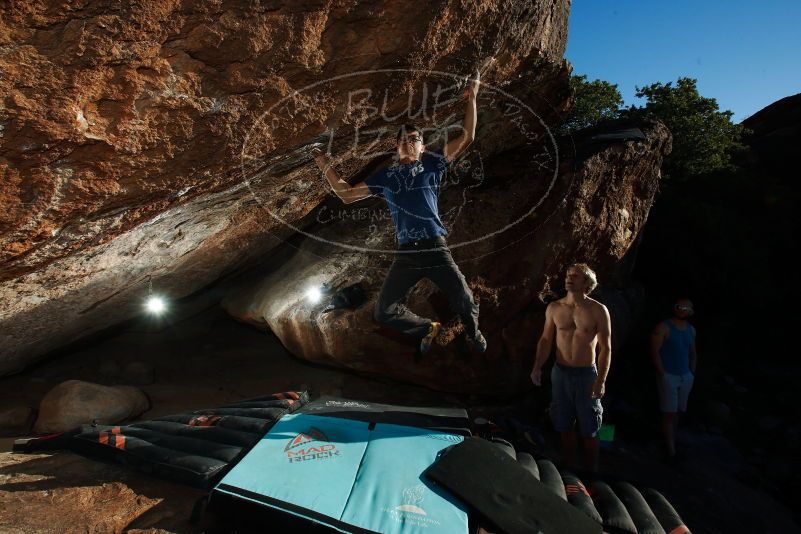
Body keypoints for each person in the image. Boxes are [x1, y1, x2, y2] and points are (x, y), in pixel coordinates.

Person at [310, 71, 486, 355]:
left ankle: (474, 332)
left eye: (415, 138)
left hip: (434, 247)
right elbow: (346, 193)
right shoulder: (386, 176)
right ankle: (427, 328)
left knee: (463, 299)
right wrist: (322, 162)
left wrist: (473, 93)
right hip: (407, 253)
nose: (409, 141)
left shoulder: (433, 163)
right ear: (397, 145)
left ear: (422, 145)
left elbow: (468, 136)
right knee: (384, 312)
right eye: (403, 139)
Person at [530, 264, 612, 472]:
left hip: (586, 374)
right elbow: (546, 339)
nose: (569, 278)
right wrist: (537, 367)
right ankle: (569, 467)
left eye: (576, 276)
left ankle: (591, 471)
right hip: (561, 372)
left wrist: (600, 380)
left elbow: (606, 348)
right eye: (568, 275)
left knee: (590, 426)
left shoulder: (598, 310)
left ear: (587, 283)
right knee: (563, 422)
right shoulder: (555, 308)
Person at [651, 298, 697, 460]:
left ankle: (671, 443)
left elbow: (692, 352)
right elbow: (655, 351)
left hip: (685, 376)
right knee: (669, 413)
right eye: (679, 307)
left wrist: (691, 372)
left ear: (691, 311)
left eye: (686, 308)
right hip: (669, 375)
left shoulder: (691, 330)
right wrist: (662, 373)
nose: (682, 310)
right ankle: (671, 451)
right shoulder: (664, 327)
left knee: (678, 412)